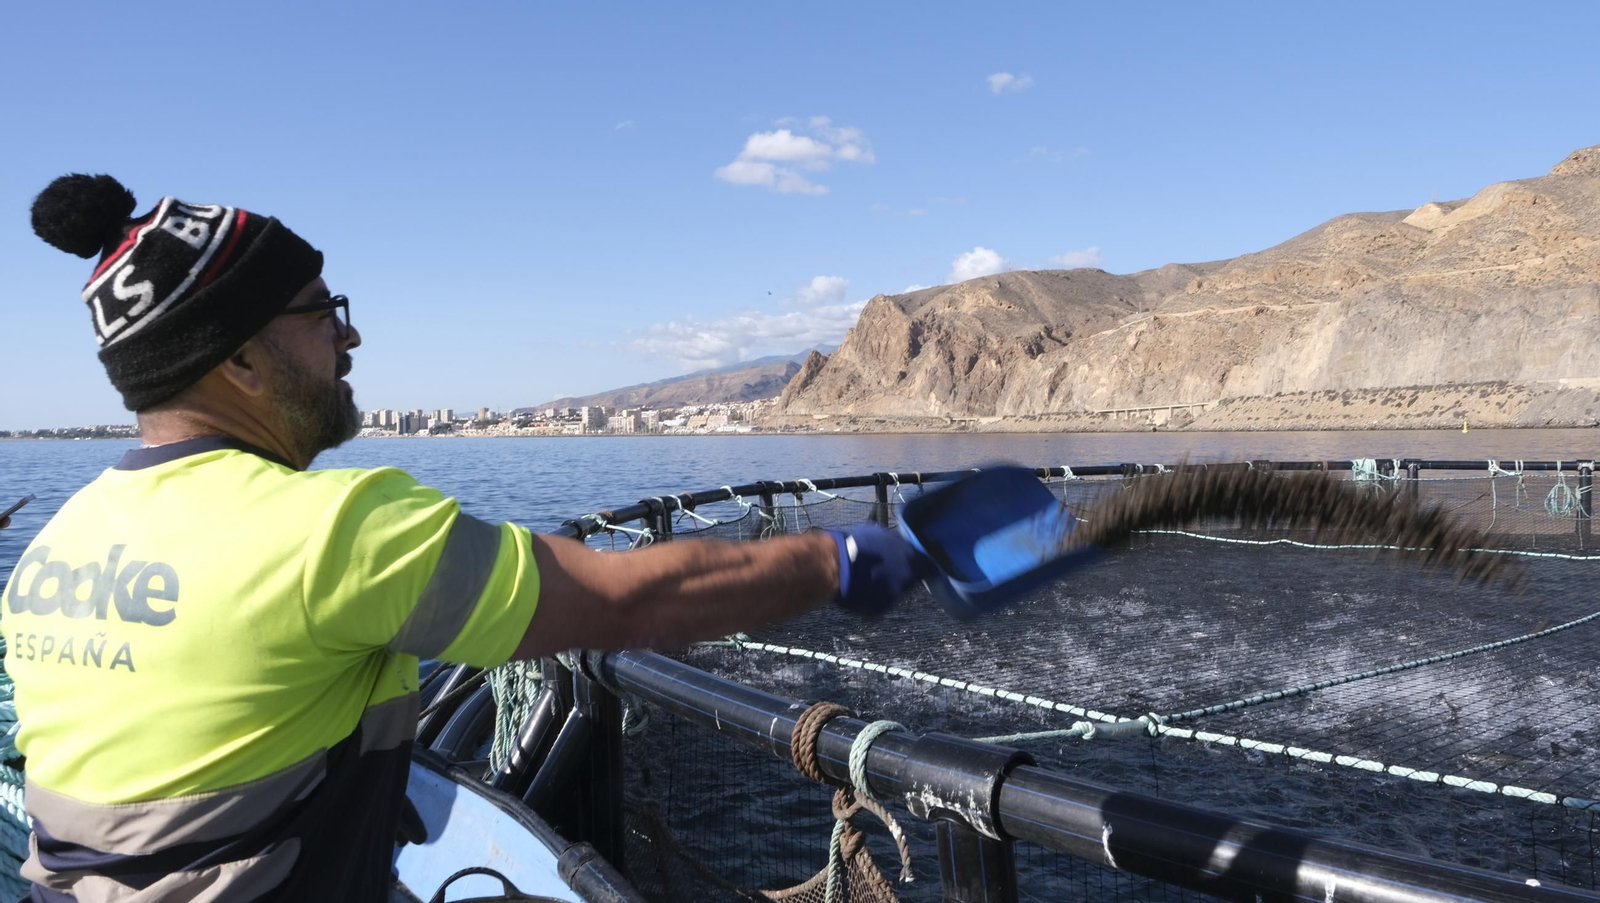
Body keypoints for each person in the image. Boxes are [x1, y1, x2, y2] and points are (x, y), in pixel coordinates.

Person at [6, 174, 935, 903]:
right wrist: (839, 557)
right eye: (322, 312)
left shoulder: (56, 547)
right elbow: (628, 598)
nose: (351, 335)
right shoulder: (331, 529)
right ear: (241, 358)